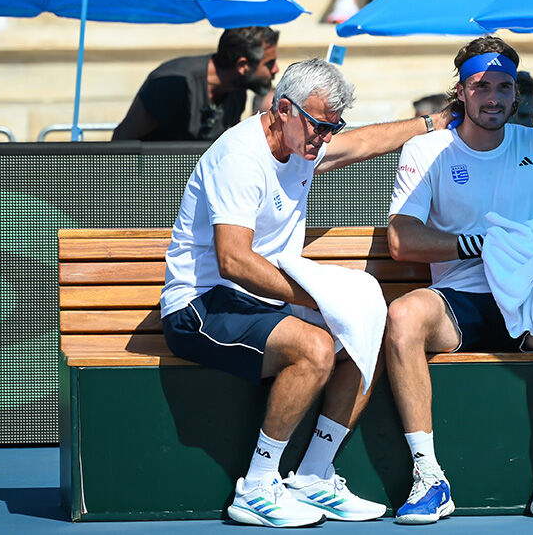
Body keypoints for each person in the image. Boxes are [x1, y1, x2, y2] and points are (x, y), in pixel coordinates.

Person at [160, 57, 451, 528]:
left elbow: (363, 143)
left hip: (261, 299)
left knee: (367, 328)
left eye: (333, 127)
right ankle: (255, 487)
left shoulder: (305, 141)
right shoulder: (239, 157)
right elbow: (234, 260)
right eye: (319, 126)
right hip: (199, 305)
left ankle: (314, 476)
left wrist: (430, 123)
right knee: (315, 347)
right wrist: (314, 299)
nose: (326, 138)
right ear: (283, 108)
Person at [385, 36, 533, 525]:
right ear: (461, 92)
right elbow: (403, 241)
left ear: (516, 95)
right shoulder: (427, 150)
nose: (493, 97)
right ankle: (429, 476)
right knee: (402, 315)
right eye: (480, 86)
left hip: (530, 296)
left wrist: (530, 239)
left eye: (503, 87)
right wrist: (482, 244)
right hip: (457, 299)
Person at [112, 27, 280, 141]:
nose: (276, 69)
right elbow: (122, 142)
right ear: (242, 66)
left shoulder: (237, 91)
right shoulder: (173, 83)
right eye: (269, 63)